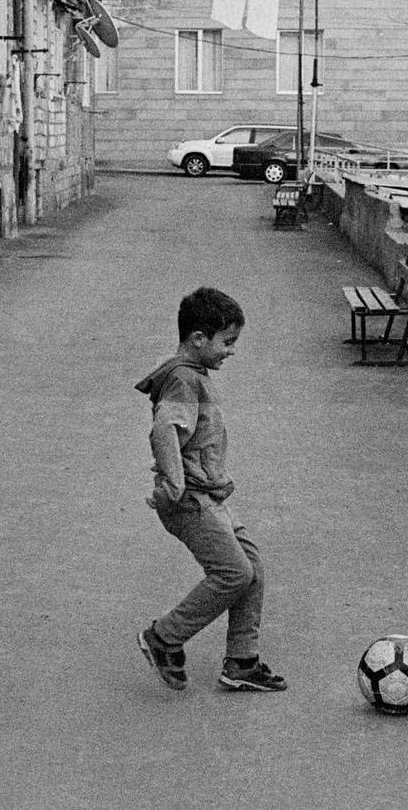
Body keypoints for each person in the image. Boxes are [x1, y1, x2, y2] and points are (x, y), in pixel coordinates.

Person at [135, 287, 287, 694]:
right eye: (227, 342)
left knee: (250, 566)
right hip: (190, 501)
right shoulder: (184, 380)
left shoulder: (192, 376)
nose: (231, 351)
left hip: (209, 497)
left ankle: (242, 661)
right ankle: (164, 636)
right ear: (198, 339)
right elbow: (164, 430)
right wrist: (173, 484)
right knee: (233, 573)